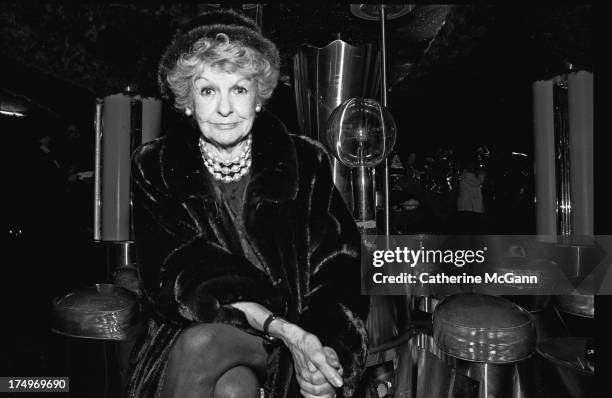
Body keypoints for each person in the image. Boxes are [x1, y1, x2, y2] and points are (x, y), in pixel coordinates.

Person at [126, 9, 369, 398]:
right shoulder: (154, 166)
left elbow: (339, 270)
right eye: (208, 91)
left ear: (259, 97)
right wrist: (282, 328)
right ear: (187, 101)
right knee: (230, 386)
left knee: (205, 349)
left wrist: (326, 350)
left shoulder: (305, 162)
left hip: (293, 335)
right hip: (193, 328)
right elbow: (178, 277)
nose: (225, 109)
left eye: (238, 89)